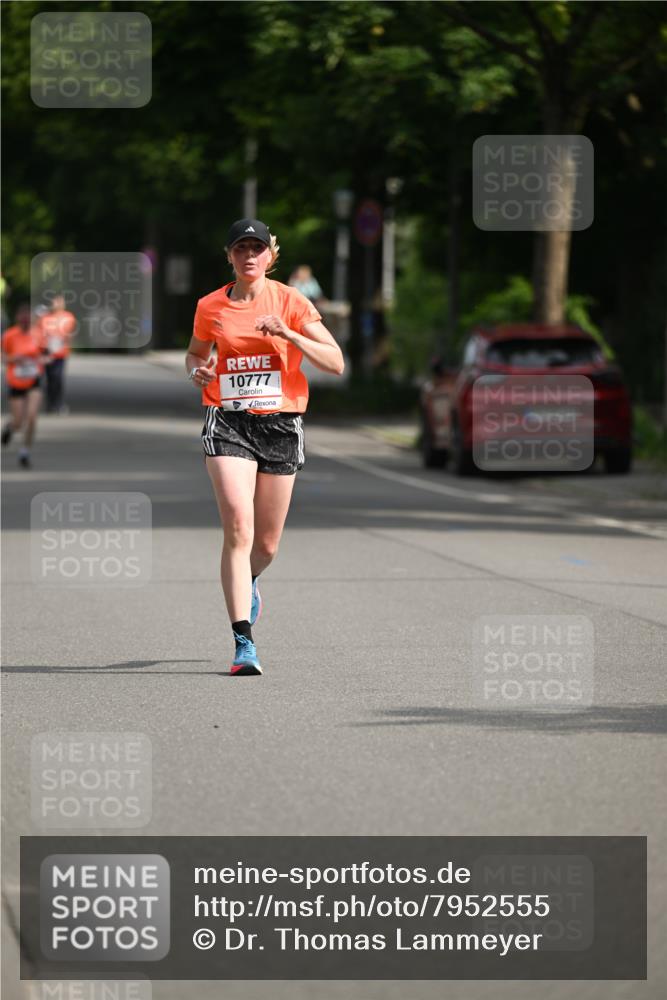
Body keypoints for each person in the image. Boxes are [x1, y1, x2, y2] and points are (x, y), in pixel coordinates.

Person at [185, 219, 344, 675]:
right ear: (230, 256)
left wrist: (290, 334)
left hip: (281, 425)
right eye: (241, 248)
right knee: (238, 526)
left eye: (257, 248)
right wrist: (197, 370)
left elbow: (335, 362)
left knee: (267, 545)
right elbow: (196, 352)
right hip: (228, 421)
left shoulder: (292, 302)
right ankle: (243, 643)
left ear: (271, 256)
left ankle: (250, 579)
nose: (249, 255)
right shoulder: (211, 306)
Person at [1, 304, 48, 468]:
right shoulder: (9, 335)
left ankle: (24, 452)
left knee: (32, 417)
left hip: (34, 379)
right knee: (18, 422)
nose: (26, 321)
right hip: (16, 381)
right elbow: (3, 356)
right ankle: (9, 427)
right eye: (23, 318)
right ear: (18, 319)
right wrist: (15, 359)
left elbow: (47, 354)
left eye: (28, 318)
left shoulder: (39, 335)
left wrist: (43, 360)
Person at [40, 294, 77, 412]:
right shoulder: (45, 318)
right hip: (47, 353)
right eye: (54, 302)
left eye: (59, 302)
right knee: (49, 378)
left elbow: (70, 334)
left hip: (60, 353)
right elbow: (41, 334)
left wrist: (65, 343)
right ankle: (50, 404)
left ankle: (59, 403)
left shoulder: (68, 317)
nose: (56, 304)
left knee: (58, 378)